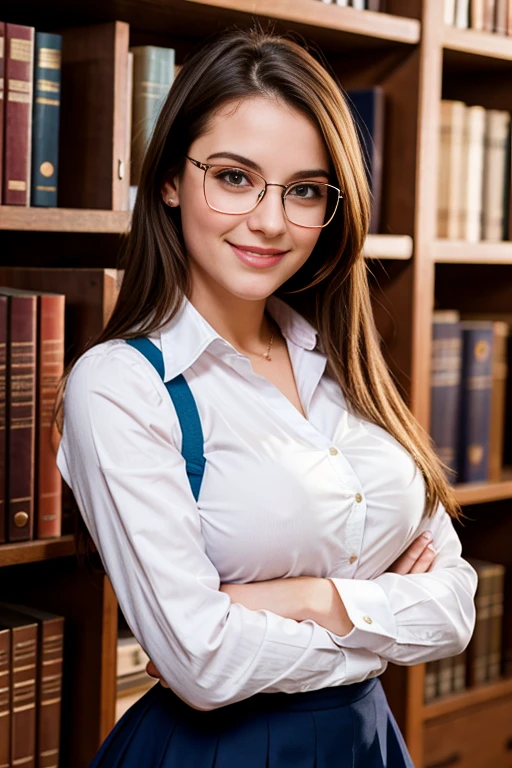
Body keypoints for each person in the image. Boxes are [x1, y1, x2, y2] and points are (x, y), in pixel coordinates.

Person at [54, 25, 477, 767]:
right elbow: (203, 663)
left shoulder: (347, 369)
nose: (272, 221)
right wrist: (377, 620)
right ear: (170, 180)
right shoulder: (123, 388)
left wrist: (306, 599)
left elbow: (454, 612)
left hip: (370, 743)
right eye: (234, 177)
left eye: (305, 190)